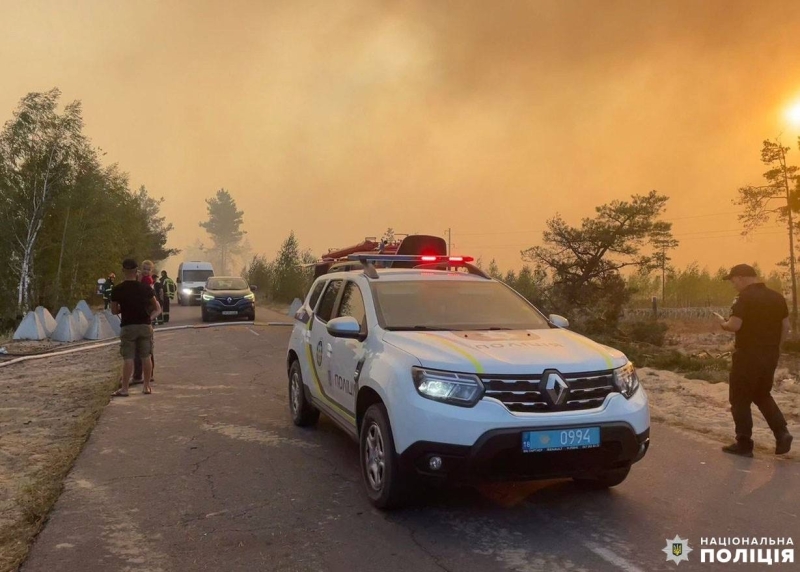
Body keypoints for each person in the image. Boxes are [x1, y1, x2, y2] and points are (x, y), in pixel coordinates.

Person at [716, 264, 793, 456]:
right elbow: (786, 326)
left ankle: (744, 444)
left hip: (747, 355)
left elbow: (735, 325)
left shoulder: (744, 297)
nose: (733, 284)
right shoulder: (777, 297)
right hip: (770, 354)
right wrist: (777, 348)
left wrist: (723, 324)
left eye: (733, 280)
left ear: (741, 277)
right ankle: (782, 433)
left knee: (740, 398)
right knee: (762, 394)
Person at [110, 259, 160, 396]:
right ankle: (146, 386)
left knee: (128, 357)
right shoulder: (145, 288)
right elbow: (156, 307)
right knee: (146, 356)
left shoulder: (117, 289)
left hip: (128, 326)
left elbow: (114, 311)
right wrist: (148, 318)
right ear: (136, 271)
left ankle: (125, 388)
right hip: (144, 326)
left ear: (123, 271)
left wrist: (124, 307)